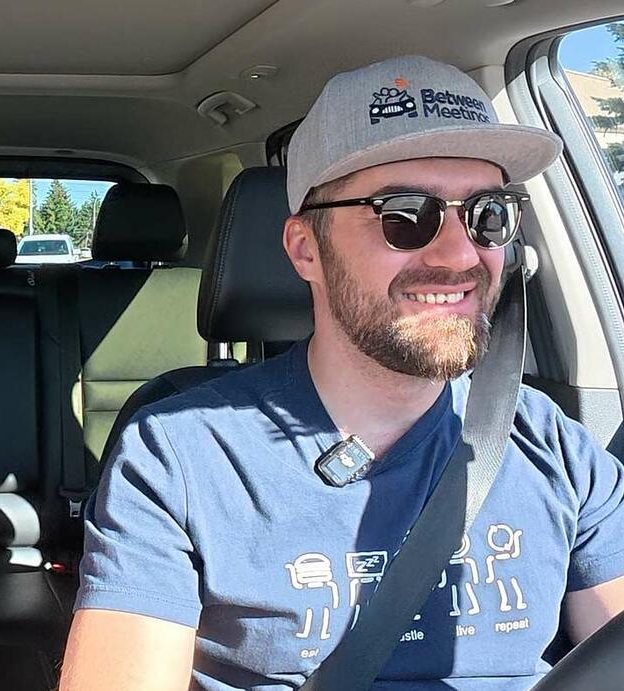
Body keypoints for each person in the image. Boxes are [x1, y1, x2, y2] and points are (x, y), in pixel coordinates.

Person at [59, 55, 624, 690]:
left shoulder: (550, 443)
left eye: (488, 213)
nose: (461, 253)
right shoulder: (182, 456)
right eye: (405, 214)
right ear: (306, 249)